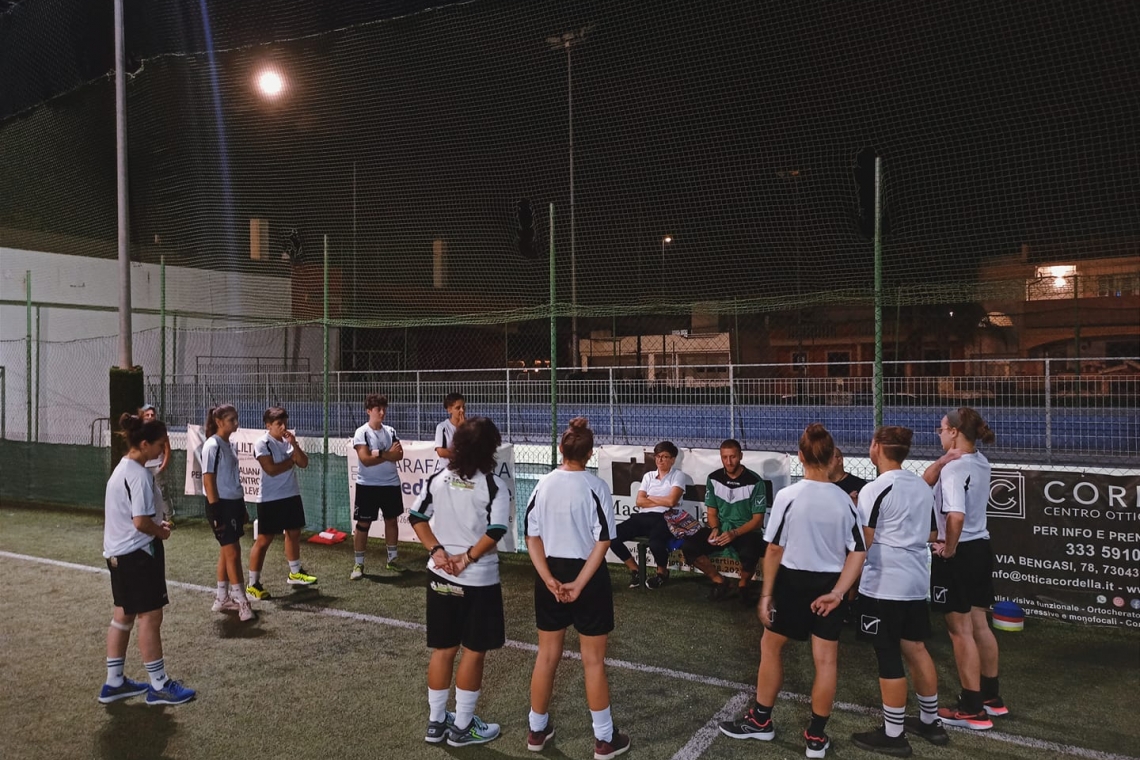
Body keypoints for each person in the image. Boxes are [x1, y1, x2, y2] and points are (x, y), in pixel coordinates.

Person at [720, 423, 866, 760]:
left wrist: (766, 595)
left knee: (771, 647)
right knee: (825, 661)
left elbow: (773, 550)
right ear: (831, 457)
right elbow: (859, 552)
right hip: (829, 585)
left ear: (800, 456)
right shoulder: (845, 501)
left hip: (792, 583)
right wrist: (839, 593)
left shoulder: (789, 496)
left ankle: (761, 720)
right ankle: (815, 737)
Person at [525, 418, 629, 760]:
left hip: (551, 575)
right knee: (593, 661)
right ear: (590, 453)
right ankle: (604, 739)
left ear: (561, 449)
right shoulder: (595, 486)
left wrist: (548, 579)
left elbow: (531, 536)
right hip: (588, 576)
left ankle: (536, 730)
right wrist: (580, 583)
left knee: (546, 656)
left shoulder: (543, 484)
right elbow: (604, 540)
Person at [408, 417, 509, 747]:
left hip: (440, 577)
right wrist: (466, 559)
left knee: (444, 649)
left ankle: (436, 723)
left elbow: (417, 517)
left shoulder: (438, 479)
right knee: (474, 652)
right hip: (478, 580)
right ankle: (463, 727)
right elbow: (496, 530)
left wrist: (436, 551)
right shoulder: (493, 485)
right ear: (490, 449)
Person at [850, 427, 949, 756]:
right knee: (916, 648)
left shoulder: (875, 489)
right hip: (916, 582)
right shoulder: (920, 487)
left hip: (884, 584)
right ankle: (930, 722)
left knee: (888, 653)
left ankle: (894, 735)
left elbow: (862, 543)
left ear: (877, 447)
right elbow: (933, 533)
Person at [100, 412, 195, 706]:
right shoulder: (139, 475)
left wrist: (155, 523)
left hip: (118, 554)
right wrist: (160, 531)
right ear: (144, 444)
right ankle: (159, 685)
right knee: (150, 617)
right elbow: (140, 522)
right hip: (138, 555)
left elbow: (136, 516)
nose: (163, 450)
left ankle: (114, 682)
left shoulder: (123, 468)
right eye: (159, 444)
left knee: (123, 615)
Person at [923, 407, 1003, 730]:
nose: (939, 434)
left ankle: (971, 707)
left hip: (960, 552)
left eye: (942, 429)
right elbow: (926, 483)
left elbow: (955, 516)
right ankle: (991, 697)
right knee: (980, 625)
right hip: (980, 547)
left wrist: (950, 549)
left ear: (954, 432)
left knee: (960, 632)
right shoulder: (980, 461)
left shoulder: (954, 470)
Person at [681, 439, 768, 603]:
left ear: (741, 456)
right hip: (722, 528)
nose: (729, 462)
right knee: (690, 546)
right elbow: (711, 512)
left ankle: (743, 585)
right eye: (725, 457)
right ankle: (720, 581)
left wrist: (734, 533)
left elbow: (757, 521)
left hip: (745, 530)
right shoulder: (713, 478)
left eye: (733, 457)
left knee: (750, 551)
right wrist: (715, 528)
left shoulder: (755, 481)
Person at [245, 407, 317, 600]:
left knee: (294, 532)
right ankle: (252, 584)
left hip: (291, 495)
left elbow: (303, 463)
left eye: (285, 423)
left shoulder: (288, 442)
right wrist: (290, 461)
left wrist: (294, 445)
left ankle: (295, 573)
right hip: (270, 499)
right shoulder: (262, 443)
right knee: (264, 540)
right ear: (268, 425)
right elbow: (270, 469)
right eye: (279, 424)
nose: (283, 427)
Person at [202, 404, 255, 622]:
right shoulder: (212, 445)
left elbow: (233, 478)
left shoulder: (229, 445)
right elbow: (208, 479)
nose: (236, 423)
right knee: (232, 552)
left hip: (233, 504)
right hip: (220, 505)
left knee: (228, 551)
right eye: (231, 419)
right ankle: (242, 601)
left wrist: (241, 506)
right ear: (219, 422)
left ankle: (222, 597)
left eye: (236, 418)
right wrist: (216, 512)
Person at [609, 441, 687, 589]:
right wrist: (661, 500)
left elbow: (671, 501)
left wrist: (650, 498)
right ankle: (636, 571)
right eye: (658, 456)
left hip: (665, 517)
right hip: (643, 517)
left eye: (665, 457)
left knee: (656, 543)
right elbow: (639, 501)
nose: (660, 460)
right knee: (612, 536)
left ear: (672, 459)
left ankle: (662, 573)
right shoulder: (648, 476)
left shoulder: (678, 476)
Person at [350, 394, 405, 579]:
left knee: (392, 520)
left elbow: (399, 455)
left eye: (384, 409)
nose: (382, 412)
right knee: (363, 524)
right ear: (368, 411)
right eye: (378, 409)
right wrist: (388, 454)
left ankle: (392, 560)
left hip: (391, 484)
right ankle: (358, 564)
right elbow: (365, 459)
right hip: (367, 485)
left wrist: (379, 453)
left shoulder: (390, 431)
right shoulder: (362, 432)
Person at [139, 404, 173, 522]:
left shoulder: (160, 430)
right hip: (144, 466)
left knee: (162, 492)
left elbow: (167, 449)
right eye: (147, 415)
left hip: (157, 466)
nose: (150, 417)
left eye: (152, 415)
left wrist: (163, 465)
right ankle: (149, 516)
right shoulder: (139, 430)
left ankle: (169, 517)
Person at [433, 392, 466, 469]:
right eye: (458, 408)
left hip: (464, 470)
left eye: (463, 407)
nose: (462, 410)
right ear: (449, 410)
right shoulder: (442, 427)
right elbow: (441, 452)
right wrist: (460, 455)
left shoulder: (470, 426)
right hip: (446, 469)